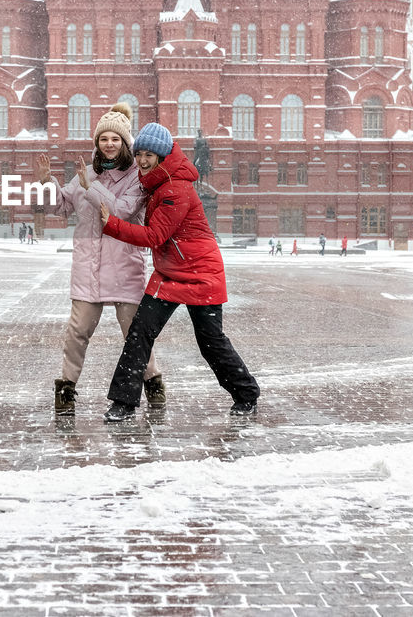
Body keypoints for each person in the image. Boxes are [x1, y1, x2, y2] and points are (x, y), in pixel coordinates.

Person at [100, 122, 260, 421]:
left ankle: (246, 393)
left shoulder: (176, 188)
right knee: (139, 334)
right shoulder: (157, 183)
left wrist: (111, 224)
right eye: (140, 154)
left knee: (211, 342)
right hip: (169, 272)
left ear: (162, 156)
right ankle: (124, 402)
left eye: (149, 155)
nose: (143, 161)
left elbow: (154, 235)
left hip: (201, 273)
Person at [39, 102, 162, 416]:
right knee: (77, 333)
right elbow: (60, 206)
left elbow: (120, 211)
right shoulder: (87, 172)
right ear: (97, 143)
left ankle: (153, 383)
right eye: (103, 139)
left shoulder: (137, 178)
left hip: (124, 267)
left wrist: (89, 187)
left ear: (125, 143)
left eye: (115, 139)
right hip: (88, 268)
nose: (109, 144)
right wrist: (45, 184)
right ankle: (66, 390)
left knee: (134, 335)